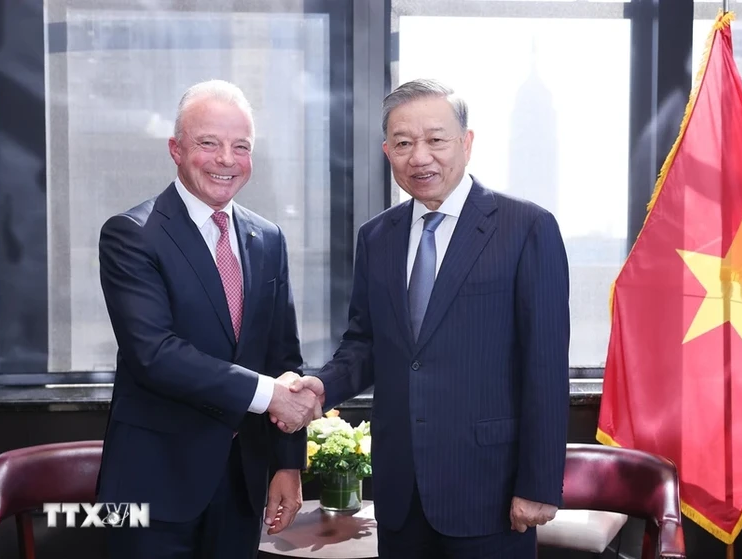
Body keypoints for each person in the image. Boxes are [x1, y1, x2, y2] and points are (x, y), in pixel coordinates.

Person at [284, 78, 570, 557]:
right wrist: (323, 386)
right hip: (400, 492)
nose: (420, 156)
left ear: (467, 142)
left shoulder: (526, 228)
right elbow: (365, 344)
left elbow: (544, 367)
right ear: (387, 150)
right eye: (403, 143)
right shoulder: (377, 237)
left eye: (436, 139)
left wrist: (539, 484)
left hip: (491, 490)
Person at [97, 79, 321, 559]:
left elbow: (284, 354)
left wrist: (287, 464)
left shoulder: (268, 237)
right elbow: (155, 355)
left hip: (242, 485)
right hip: (148, 487)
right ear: (175, 149)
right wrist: (269, 397)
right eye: (209, 143)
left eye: (241, 147)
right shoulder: (132, 235)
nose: (226, 159)